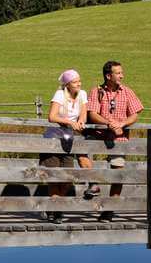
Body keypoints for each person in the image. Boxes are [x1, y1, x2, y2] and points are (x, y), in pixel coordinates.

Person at [85, 60, 143, 221]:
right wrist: (109, 123)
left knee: (118, 171)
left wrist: (122, 123)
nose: (122, 76)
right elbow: (93, 114)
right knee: (82, 152)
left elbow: (135, 114)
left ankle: (110, 209)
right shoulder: (96, 91)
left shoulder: (127, 92)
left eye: (121, 73)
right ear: (108, 75)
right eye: (118, 73)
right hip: (98, 135)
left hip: (119, 137)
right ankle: (93, 184)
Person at [42, 69, 94, 223]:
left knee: (67, 176)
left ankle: (55, 208)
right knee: (54, 174)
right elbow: (52, 116)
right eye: (75, 81)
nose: (79, 83)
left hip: (71, 137)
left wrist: (81, 121)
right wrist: (71, 122)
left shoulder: (82, 94)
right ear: (67, 84)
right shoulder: (59, 94)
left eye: (79, 80)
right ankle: (56, 211)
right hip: (54, 137)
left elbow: (84, 113)